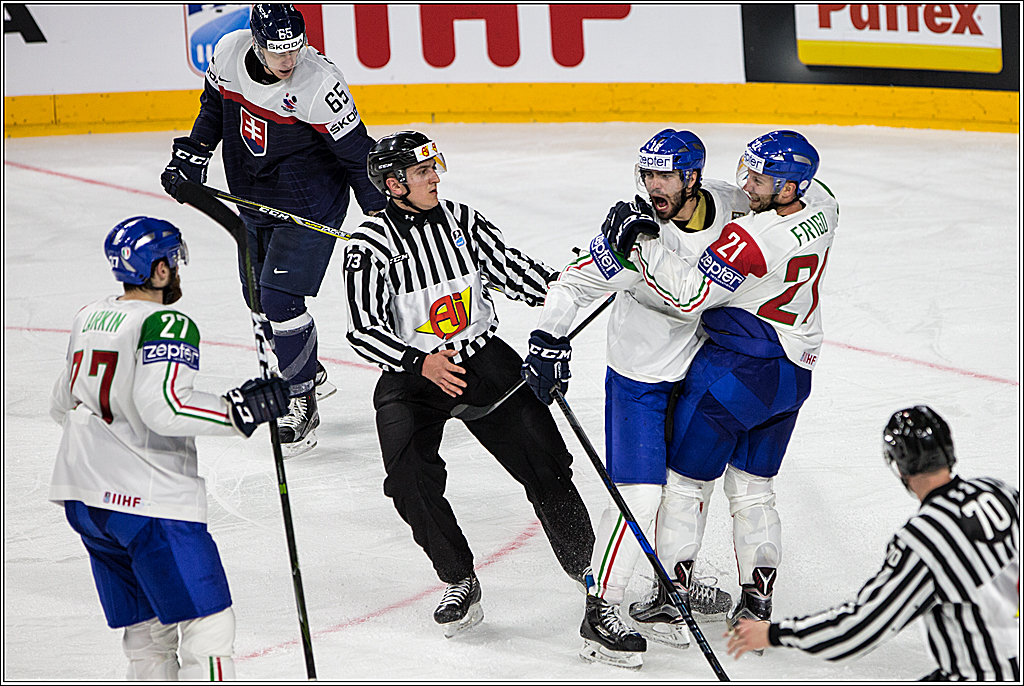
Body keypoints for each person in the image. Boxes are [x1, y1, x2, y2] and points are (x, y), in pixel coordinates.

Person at [343, 131, 596, 638]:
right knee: (409, 480)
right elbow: (362, 329)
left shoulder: (461, 220)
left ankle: (592, 576)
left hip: (484, 362)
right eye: (421, 172)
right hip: (413, 377)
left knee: (547, 465)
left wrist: (575, 285)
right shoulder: (368, 246)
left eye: (434, 167)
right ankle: (458, 578)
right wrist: (419, 362)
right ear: (394, 184)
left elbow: (516, 272)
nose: (435, 176)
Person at [522, 129, 749, 669]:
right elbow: (573, 284)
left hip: (699, 371)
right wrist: (549, 337)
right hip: (639, 381)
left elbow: (772, 206)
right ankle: (599, 610)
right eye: (647, 175)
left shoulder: (730, 204)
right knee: (639, 499)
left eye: (665, 175)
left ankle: (668, 592)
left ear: (693, 177)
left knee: (689, 489)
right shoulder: (633, 235)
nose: (654, 187)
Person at [607, 130, 839, 645]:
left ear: (786, 186)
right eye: (749, 172)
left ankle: (671, 598)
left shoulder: (750, 241)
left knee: (684, 485)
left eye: (759, 179)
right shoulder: (824, 204)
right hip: (793, 372)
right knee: (754, 489)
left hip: (736, 374)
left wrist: (641, 245)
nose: (747, 186)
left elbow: (687, 297)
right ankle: (756, 603)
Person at [49, 217, 290, 680]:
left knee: (148, 632)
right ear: (158, 270)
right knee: (209, 623)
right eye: (174, 262)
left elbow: (62, 403)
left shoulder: (88, 315)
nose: (177, 270)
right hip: (147, 501)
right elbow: (164, 407)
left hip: (82, 496)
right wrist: (242, 409)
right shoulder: (165, 321)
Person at [161, 4, 386, 457]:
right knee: (258, 298)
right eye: (278, 52)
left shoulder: (320, 84)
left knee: (282, 300)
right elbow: (211, 110)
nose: (288, 62)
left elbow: (357, 154)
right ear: (256, 43)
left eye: (295, 50)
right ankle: (305, 367)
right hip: (253, 196)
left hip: (311, 204)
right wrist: (193, 154)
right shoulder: (227, 53)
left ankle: (301, 396)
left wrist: (384, 218)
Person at [727, 406, 1020, 681]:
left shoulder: (924, 540)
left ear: (900, 466)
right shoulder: (1000, 492)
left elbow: (859, 629)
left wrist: (773, 634)